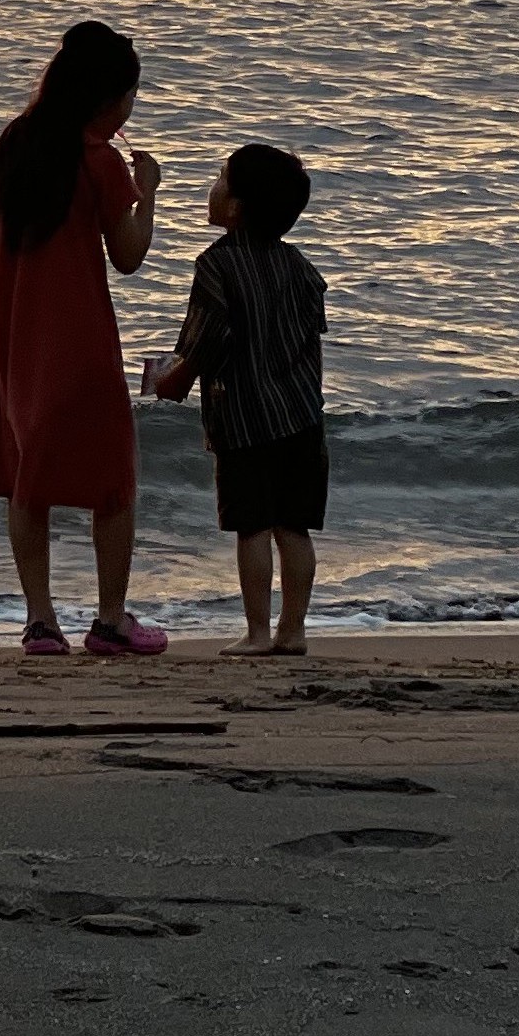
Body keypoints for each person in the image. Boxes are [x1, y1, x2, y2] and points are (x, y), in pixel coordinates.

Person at [0, 20, 168, 657]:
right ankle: (109, 620)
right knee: (114, 479)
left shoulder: (11, 148)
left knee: (28, 478)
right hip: (81, 344)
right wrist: (148, 195)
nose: (132, 107)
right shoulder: (99, 161)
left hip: (11, 343)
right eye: (130, 95)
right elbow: (128, 256)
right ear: (106, 98)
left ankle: (42, 622)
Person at [146, 144, 326, 657]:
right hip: (301, 418)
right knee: (294, 528)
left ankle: (256, 632)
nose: (213, 186)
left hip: (245, 419)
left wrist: (173, 382)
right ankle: (294, 632)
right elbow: (312, 341)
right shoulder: (301, 266)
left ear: (238, 206)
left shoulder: (216, 266)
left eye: (221, 179)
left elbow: (202, 345)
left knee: (251, 527)